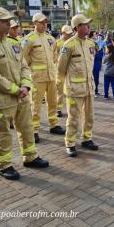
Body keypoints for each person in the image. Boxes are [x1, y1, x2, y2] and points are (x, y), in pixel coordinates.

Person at [0, 7, 49, 180]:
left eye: (9, 20)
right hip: (3, 98)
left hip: (22, 95)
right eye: (5, 21)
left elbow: (24, 66)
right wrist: (16, 90)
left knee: (27, 128)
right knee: (2, 133)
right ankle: (5, 165)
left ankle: (30, 157)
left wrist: (26, 85)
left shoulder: (14, 43)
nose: (9, 23)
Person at [57, 14, 99, 157]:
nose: (89, 26)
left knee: (89, 116)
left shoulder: (91, 44)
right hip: (74, 89)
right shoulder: (68, 45)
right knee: (73, 118)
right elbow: (61, 68)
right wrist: (66, 85)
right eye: (86, 24)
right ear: (78, 27)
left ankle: (87, 138)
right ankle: (70, 143)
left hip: (88, 87)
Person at [22, 13, 65, 143]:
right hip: (37, 77)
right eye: (41, 22)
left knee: (53, 102)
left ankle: (54, 124)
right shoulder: (29, 39)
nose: (44, 24)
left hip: (51, 76)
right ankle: (34, 130)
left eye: (45, 22)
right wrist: (32, 68)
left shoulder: (50, 38)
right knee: (35, 105)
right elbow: (24, 58)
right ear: (34, 23)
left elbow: (55, 55)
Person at [54, 25, 73, 117]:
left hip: (70, 70)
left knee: (70, 90)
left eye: (70, 33)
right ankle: (58, 109)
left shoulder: (72, 42)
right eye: (67, 33)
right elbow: (54, 56)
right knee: (60, 91)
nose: (69, 35)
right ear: (63, 33)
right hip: (60, 71)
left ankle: (72, 108)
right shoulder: (57, 43)